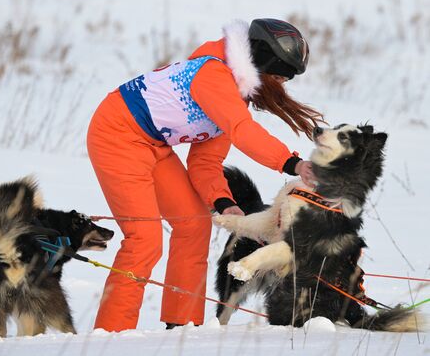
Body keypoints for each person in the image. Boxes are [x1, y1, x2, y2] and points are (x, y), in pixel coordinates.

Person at [87, 18, 325, 332]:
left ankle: (182, 326)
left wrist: (225, 203)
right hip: (116, 134)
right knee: (144, 240)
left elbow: (205, 163)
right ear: (262, 62)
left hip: (153, 144)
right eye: (278, 77)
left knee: (194, 225)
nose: (280, 85)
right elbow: (242, 132)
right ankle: (111, 334)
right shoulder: (212, 75)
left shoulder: (234, 96)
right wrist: (292, 163)